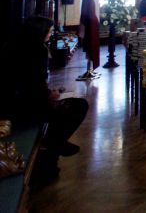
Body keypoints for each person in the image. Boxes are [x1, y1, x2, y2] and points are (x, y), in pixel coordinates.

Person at [4, 17, 88, 180]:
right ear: (39, 32)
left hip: (13, 103)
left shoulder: (12, 46)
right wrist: (50, 94)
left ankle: (54, 145)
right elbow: (32, 86)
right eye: (49, 31)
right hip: (26, 107)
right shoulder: (38, 50)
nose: (51, 34)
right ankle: (54, 145)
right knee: (78, 107)